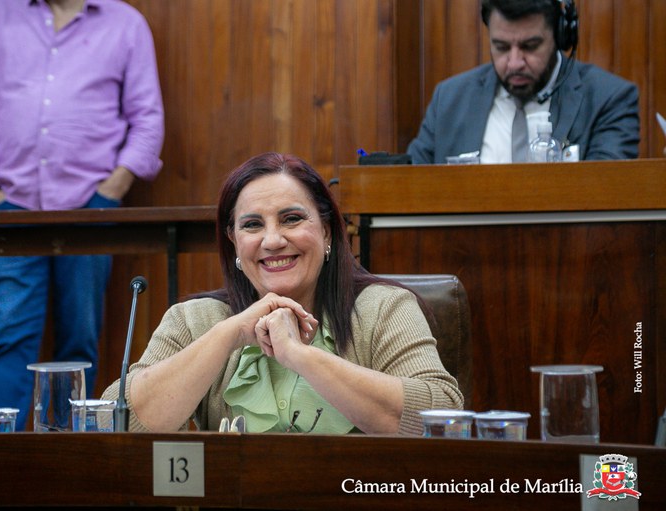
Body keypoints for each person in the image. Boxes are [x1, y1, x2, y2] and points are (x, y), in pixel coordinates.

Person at [101, 152, 462, 435]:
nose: (272, 241)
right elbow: (115, 422)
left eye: (291, 219)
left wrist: (298, 355)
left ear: (326, 233)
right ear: (234, 244)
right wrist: (230, 334)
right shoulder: (195, 320)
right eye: (252, 225)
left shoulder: (384, 307)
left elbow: (443, 420)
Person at [0, 0, 165, 430]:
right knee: (7, 340)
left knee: (80, 341)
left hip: (91, 209)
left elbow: (147, 118)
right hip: (10, 209)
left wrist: (110, 191)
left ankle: (72, 461)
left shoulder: (126, 24)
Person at [407, 0, 640, 164]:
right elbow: (410, 188)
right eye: (501, 47)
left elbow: (605, 198)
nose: (515, 62)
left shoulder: (609, 99)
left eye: (530, 46)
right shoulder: (449, 99)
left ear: (560, 37)